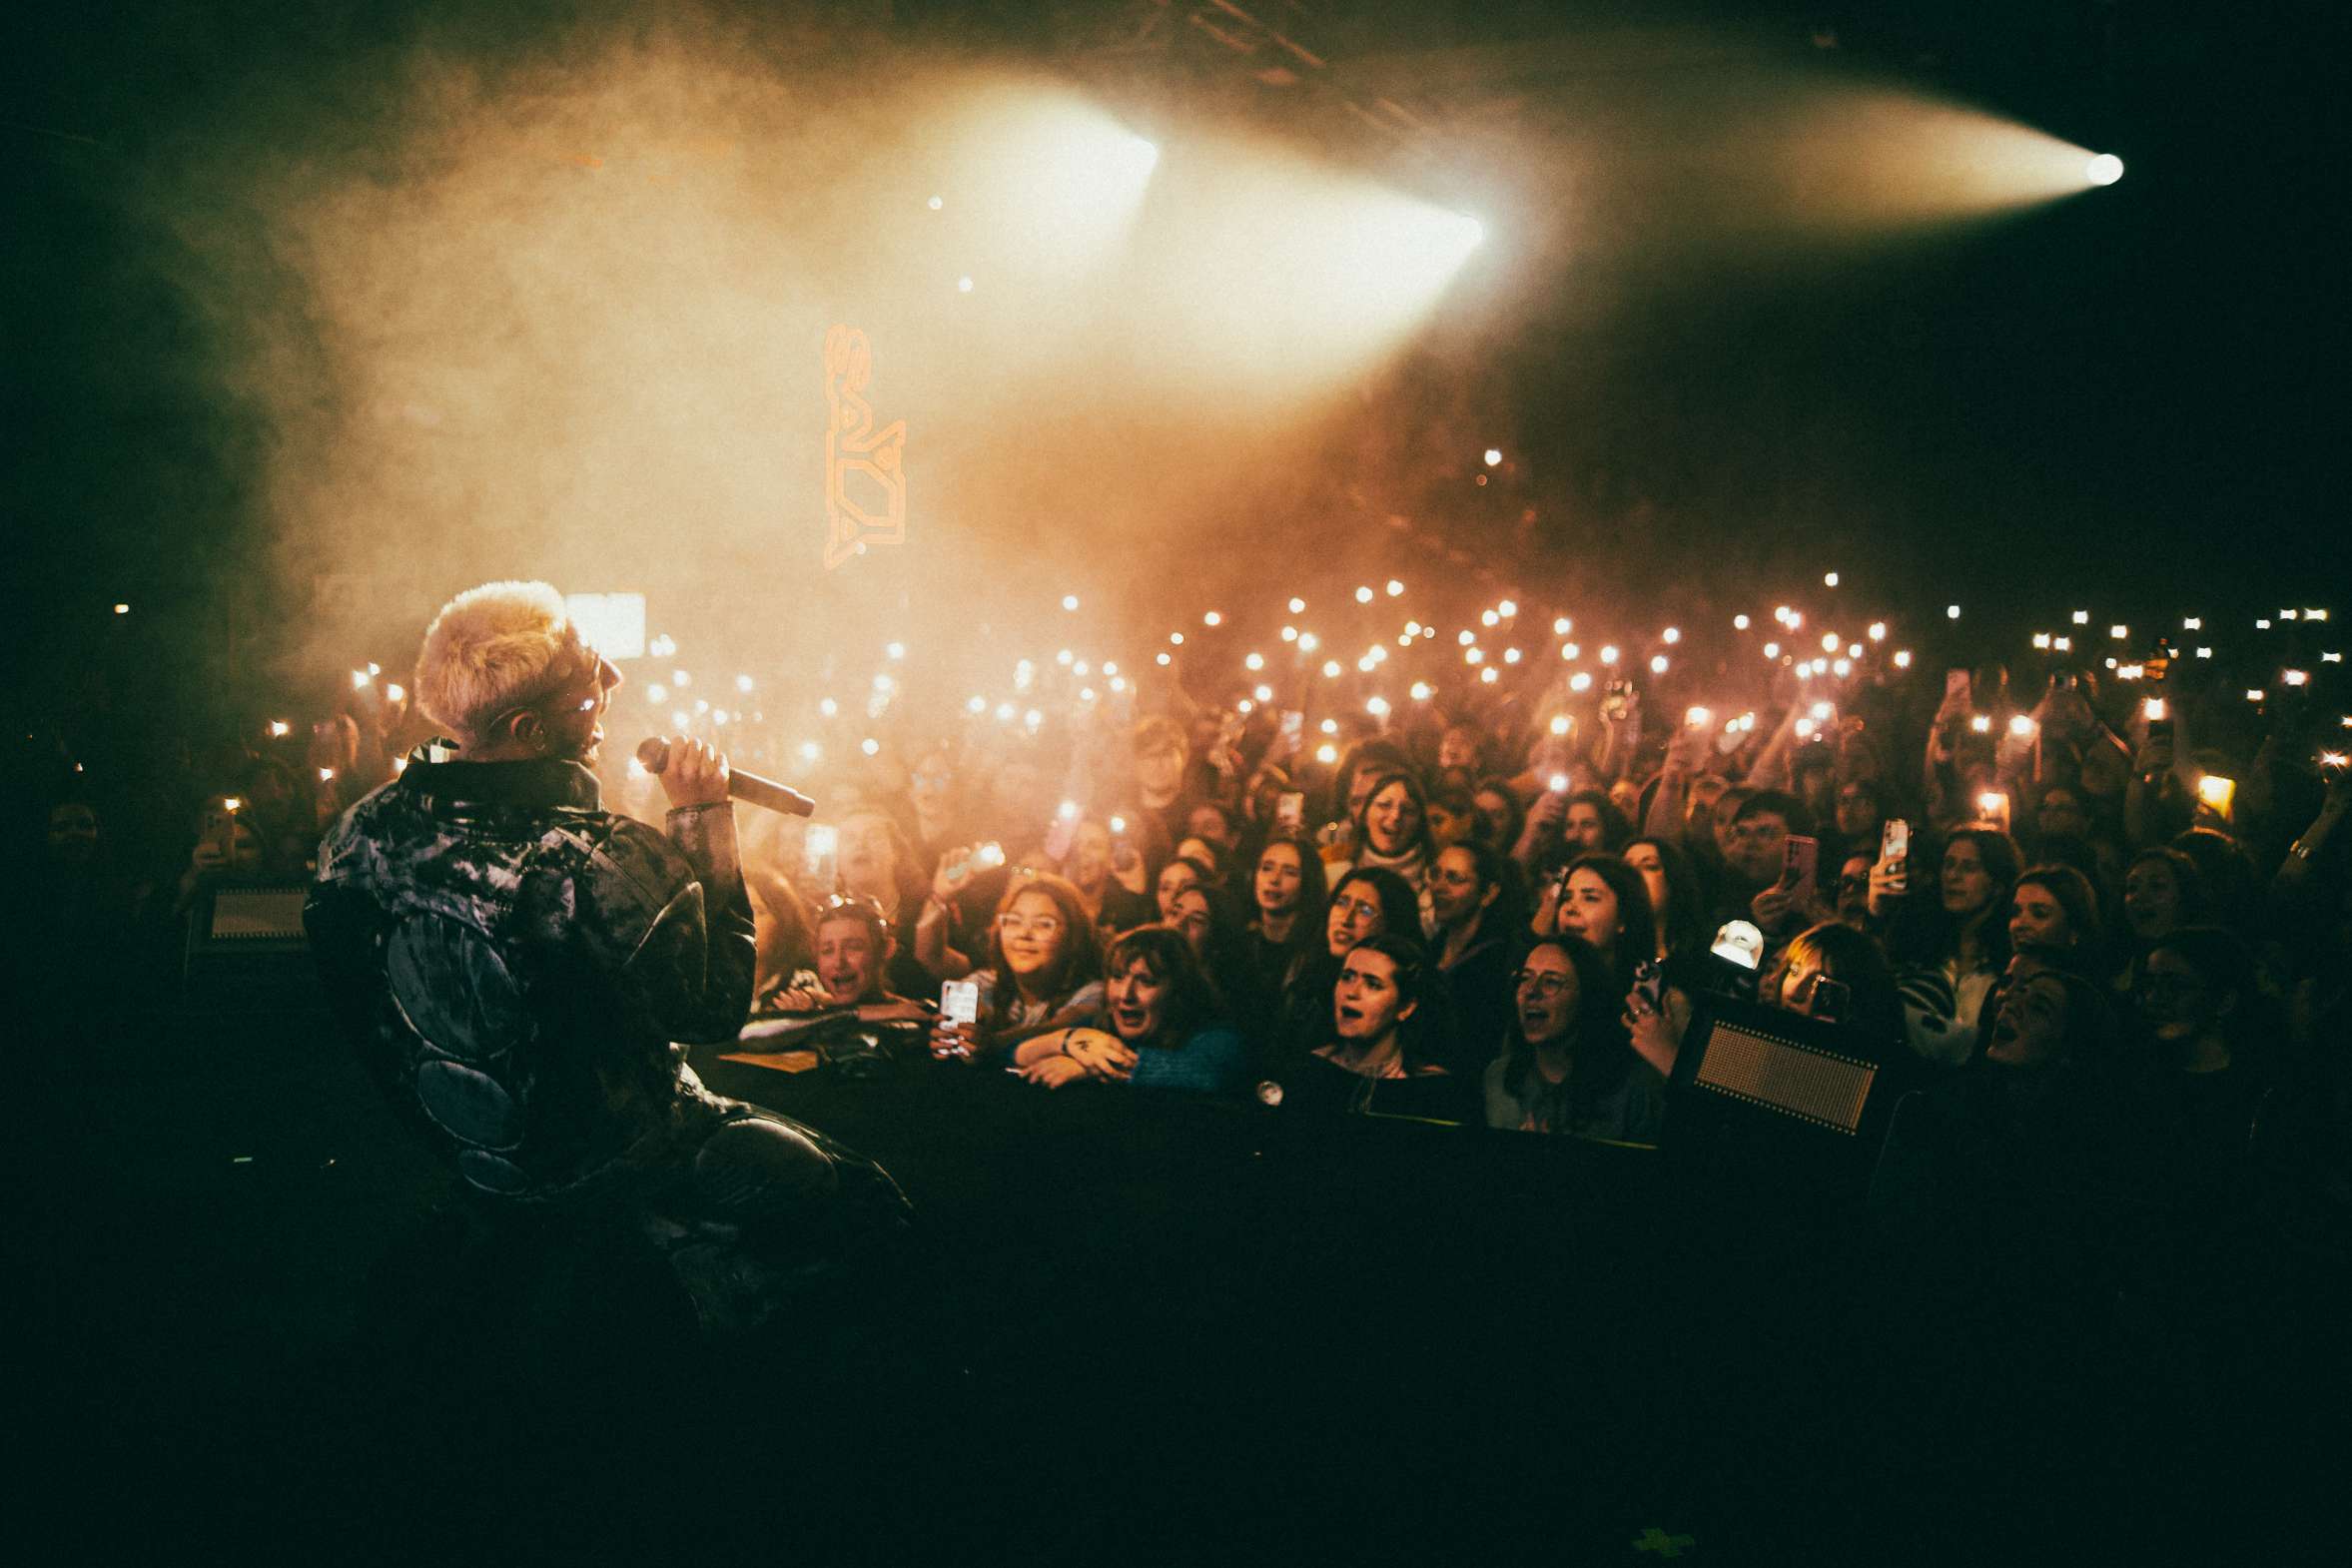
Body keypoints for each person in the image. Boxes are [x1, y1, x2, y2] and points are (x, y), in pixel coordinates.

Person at [305, 580, 909, 1340]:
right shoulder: (596, 858)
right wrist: (701, 816)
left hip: (476, 1166)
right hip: (624, 1167)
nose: (615, 680)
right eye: (589, 680)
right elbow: (715, 1008)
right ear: (528, 729)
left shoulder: (352, 838)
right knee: (867, 1205)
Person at [1014, 926, 1245, 1095]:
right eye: (1117, 977)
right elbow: (1008, 1053)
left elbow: (1210, 1073)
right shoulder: (1097, 1026)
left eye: (1146, 981)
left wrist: (1099, 1066)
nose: (1125, 995)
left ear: (1178, 991)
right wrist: (1067, 1039)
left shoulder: (1216, 1035)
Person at [1484, 937, 1664, 1143]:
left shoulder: (1633, 1089)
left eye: (1551, 982)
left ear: (1586, 996)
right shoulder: (1499, 1079)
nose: (1531, 991)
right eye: (1525, 979)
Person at [1270, 933, 1465, 1122]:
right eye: (1347, 977)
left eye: (1373, 985)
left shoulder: (1432, 1090)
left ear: (1406, 1007)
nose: (1352, 992)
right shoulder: (1304, 1072)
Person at [933, 871, 1108, 1066]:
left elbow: (1063, 1025)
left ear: (1073, 936)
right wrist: (958, 1034)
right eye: (1014, 921)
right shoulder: (983, 982)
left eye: (1043, 924)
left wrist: (993, 1043)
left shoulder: (1094, 992)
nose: (1024, 934)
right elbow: (970, 1020)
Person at [1422, 840, 1525, 1077]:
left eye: (1455, 879)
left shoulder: (1499, 963)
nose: (1439, 887)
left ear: (1488, 893)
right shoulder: (1429, 951)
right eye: (1436, 874)